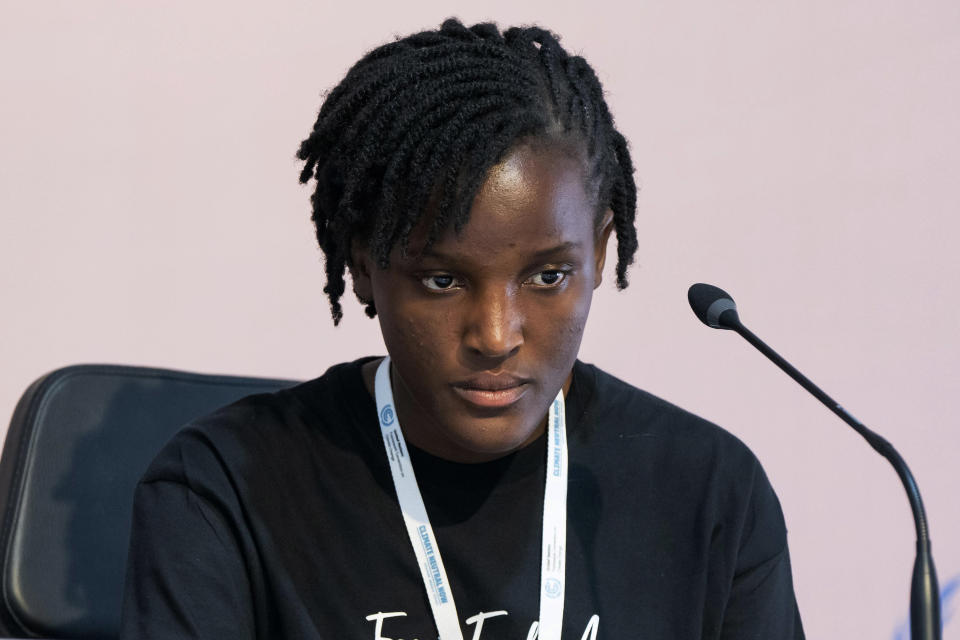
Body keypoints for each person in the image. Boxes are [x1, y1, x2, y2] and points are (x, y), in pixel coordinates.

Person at [120, 18, 804, 639]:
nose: (496, 334)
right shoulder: (221, 489)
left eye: (546, 278)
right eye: (442, 281)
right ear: (363, 267)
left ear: (599, 255)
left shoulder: (710, 492)